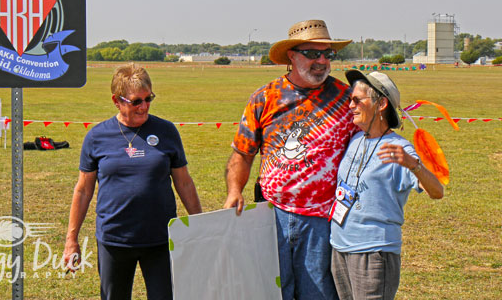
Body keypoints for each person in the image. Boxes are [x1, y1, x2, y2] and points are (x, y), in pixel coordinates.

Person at [223, 19, 357, 300]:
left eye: (327, 54)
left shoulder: (347, 99)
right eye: (312, 54)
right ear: (291, 56)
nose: (321, 61)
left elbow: (371, 144)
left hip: (325, 219)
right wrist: (235, 190)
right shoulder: (264, 98)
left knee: (318, 293)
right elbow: (242, 153)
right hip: (272, 215)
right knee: (273, 291)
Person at [63, 63, 202, 300]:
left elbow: (184, 183)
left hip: (160, 238)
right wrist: (71, 240)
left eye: (149, 99)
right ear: (117, 101)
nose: (144, 106)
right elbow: (83, 191)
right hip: (114, 239)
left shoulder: (167, 131)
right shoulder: (97, 136)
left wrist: (201, 225)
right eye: (136, 101)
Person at [330, 70, 444, 300]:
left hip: (373, 252)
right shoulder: (356, 139)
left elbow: (437, 192)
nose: (350, 105)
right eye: (349, 99)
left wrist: (414, 165)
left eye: (356, 100)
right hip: (339, 247)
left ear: (381, 104)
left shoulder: (399, 149)